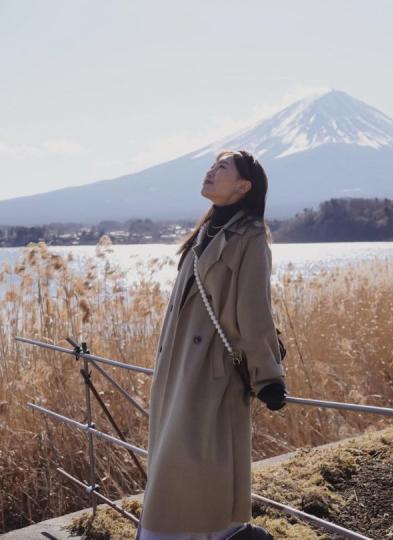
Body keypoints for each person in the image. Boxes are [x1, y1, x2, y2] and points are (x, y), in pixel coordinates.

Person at [137, 150, 286, 540]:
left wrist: (267, 376)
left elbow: (253, 311)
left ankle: (206, 532)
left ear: (243, 186)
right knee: (180, 456)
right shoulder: (205, 232)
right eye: (212, 165)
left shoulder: (250, 237)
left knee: (195, 459)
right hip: (179, 365)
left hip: (209, 370)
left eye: (222, 167)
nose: (210, 171)